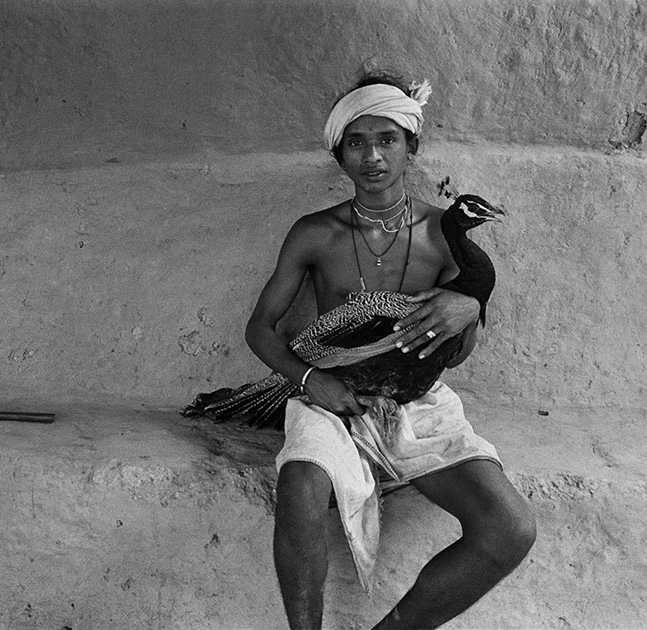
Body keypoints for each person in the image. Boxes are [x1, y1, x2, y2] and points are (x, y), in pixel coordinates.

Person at [243, 71, 536, 629]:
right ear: (339, 154)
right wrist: (311, 382)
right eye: (356, 142)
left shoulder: (440, 233)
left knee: (510, 528)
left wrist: (470, 308)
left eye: (387, 140)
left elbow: (456, 352)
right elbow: (260, 329)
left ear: (412, 145)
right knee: (300, 485)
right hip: (333, 392)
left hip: (416, 400)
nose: (372, 156)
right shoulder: (314, 233)